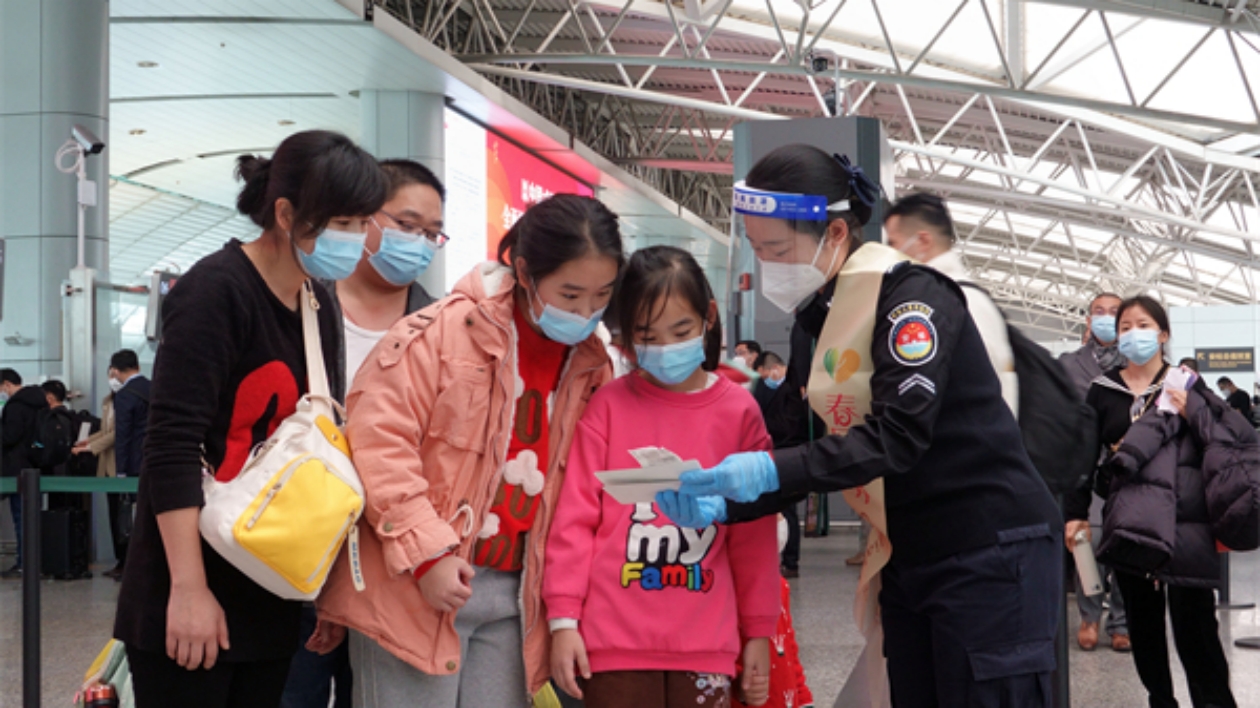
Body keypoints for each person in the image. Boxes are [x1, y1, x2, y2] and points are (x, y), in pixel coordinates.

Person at [657, 144, 1063, 706]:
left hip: (986, 547)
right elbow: (800, 441)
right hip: (908, 552)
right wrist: (725, 501)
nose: (765, 266)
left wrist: (764, 469)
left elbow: (900, 435)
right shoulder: (815, 321)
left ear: (838, 234)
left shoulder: (912, 301)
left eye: (777, 248)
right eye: (756, 249)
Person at [314, 194, 624, 708]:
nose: (585, 312)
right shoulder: (441, 334)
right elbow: (377, 445)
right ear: (524, 272)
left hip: (517, 599)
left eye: (601, 297)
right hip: (414, 585)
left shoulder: (593, 364)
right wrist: (428, 554)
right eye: (570, 294)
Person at [113, 130, 382, 708]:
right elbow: (170, 445)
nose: (355, 239)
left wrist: (324, 594)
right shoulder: (215, 291)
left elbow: (325, 451)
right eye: (342, 222)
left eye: (363, 223)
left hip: (274, 589)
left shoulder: (318, 302)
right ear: (285, 213)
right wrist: (188, 590)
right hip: (189, 586)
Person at [544, 245, 778, 708]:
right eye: (648, 335)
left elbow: (754, 534)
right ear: (626, 334)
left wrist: (759, 631)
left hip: (707, 644)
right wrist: (563, 621)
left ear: (709, 317)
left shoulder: (739, 412)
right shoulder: (608, 405)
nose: (667, 348)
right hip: (612, 647)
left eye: (682, 330)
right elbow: (575, 519)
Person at [282, 158, 447, 708]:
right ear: (364, 218)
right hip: (300, 549)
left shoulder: (441, 325)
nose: (418, 242)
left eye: (431, 233)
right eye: (405, 224)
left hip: (391, 564)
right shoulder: (302, 301)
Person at [1065, 296, 1238, 708]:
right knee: (1143, 625)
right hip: (1131, 519)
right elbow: (1083, 458)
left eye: (1141, 325)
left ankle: (1213, 702)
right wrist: (1075, 513)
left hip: (1188, 520)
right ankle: (1161, 699)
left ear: (1162, 334)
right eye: (1124, 326)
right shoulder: (1103, 390)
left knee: (1195, 624)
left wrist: (1193, 412)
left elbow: (1224, 443)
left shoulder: (1185, 383)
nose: (1131, 333)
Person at [884, 192, 1017, 413]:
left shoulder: (963, 302)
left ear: (923, 241)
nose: (889, 254)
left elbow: (989, 400)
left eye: (893, 244)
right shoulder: (952, 297)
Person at [1058, 293, 1130, 652]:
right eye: (1098, 312)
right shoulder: (1069, 363)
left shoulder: (1137, 361)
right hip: (1084, 465)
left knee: (1127, 540)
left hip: (1129, 466)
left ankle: (1121, 619)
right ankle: (1089, 616)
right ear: (1088, 321)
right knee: (1085, 540)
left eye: (1114, 313)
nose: (1105, 318)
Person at [732, 516, 814, 708]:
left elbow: (788, 647)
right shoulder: (725, 596)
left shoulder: (779, 586)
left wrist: (803, 698)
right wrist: (739, 685)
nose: (779, 521)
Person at [751, 351, 802, 578]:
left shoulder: (793, 388)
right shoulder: (765, 388)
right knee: (778, 507)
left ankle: (791, 561)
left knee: (788, 509)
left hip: (788, 451)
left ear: (773, 369)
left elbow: (789, 425)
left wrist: (762, 424)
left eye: (765, 375)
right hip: (771, 453)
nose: (764, 380)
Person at [0, 369, 47, 579]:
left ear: (7, 384)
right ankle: (33, 562)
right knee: (30, 517)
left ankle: (23, 564)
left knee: (21, 518)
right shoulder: (39, 402)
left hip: (16, 468)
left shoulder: (16, 405)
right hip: (35, 465)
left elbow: (10, 436)